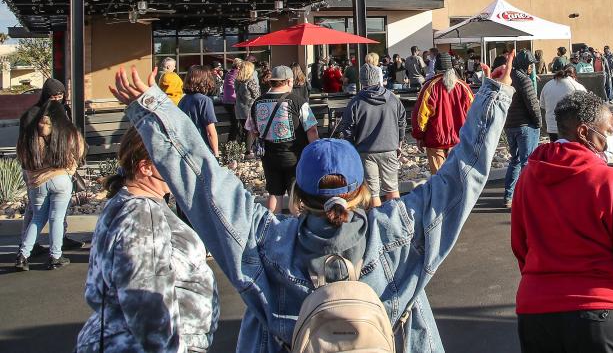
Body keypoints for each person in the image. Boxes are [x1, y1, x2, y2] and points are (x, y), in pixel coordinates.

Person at [107, 53, 516, 353]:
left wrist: (153, 110)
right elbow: (465, 172)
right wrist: (494, 93)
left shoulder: (266, 240)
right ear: (362, 190)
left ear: (297, 196)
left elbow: (203, 180)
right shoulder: (400, 230)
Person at [511, 90, 613, 352]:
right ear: (584, 132)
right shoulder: (611, 182)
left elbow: (521, 247)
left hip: (537, 312)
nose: (612, 137)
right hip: (605, 315)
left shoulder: (528, 179)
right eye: (609, 130)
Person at [74, 127, 218, 352]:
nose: (182, 166)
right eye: (173, 159)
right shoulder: (142, 214)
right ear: (146, 168)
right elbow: (146, 302)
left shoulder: (126, 202)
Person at [15, 101, 86, 271]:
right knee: (57, 218)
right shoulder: (67, 131)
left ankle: (23, 256)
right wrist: (70, 169)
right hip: (61, 179)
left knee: (37, 218)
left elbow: (22, 159)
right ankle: (55, 256)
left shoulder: (31, 134)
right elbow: (80, 150)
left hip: (38, 182)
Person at [247, 66, 320, 214]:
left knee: (274, 194)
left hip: (269, 156)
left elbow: (252, 129)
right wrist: (315, 151)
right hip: (295, 156)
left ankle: (273, 227)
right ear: (287, 81)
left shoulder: (257, 102)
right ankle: (297, 228)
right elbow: (311, 129)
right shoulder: (298, 101)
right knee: (295, 194)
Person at [334, 63, 405, 208]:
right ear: (378, 79)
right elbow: (402, 122)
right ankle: (398, 220)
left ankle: (376, 223)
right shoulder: (392, 99)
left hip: (365, 151)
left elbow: (347, 129)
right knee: (392, 189)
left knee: (372, 193)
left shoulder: (356, 102)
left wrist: (351, 148)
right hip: (389, 148)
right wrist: (399, 142)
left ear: (362, 81)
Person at [412, 52, 475, 174]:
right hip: (459, 140)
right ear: (451, 67)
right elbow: (474, 113)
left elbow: (421, 115)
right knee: (457, 177)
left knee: (438, 179)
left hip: (435, 140)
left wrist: (419, 136)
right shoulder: (463, 86)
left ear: (436, 69)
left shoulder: (430, 87)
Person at [499, 50, 542, 209]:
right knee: (527, 162)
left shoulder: (509, 78)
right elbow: (533, 104)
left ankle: (508, 196)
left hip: (510, 125)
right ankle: (527, 198)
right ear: (525, 65)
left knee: (515, 161)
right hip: (525, 126)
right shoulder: (525, 80)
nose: (532, 67)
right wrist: (538, 123)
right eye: (530, 64)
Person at [178, 65, 219, 157]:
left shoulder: (183, 100)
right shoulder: (204, 101)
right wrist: (216, 154)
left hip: (186, 148)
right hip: (202, 149)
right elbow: (210, 132)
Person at [539, 65, 586, 142]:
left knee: (555, 151)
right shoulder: (578, 87)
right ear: (574, 75)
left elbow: (543, 105)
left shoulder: (547, 85)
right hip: (570, 128)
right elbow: (584, 108)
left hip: (552, 127)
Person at [234, 60, 261, 157]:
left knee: (244, 130)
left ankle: (245, 149)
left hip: (239, 109)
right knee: (251, 129)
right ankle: (249, 151)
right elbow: (257, 95)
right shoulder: (251, 81)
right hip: (250, 108)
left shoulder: (237, 80)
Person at [222, 59, 240, 144]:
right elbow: (236, 88)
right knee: (235, 123)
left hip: (226, 100)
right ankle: (231, 141)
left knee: (235, 122)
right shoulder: (237, 74)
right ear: (239, 66)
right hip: (233, 101)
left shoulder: (228, 73)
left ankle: (232, 141)